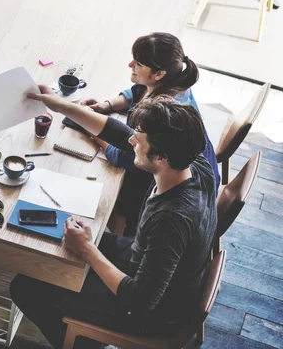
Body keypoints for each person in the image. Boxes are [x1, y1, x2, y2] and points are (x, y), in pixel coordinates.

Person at [10, 89, 217, 349]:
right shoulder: (194, 162)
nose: (132, 142)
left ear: (162, 158)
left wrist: (87, 249)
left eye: (139, 142)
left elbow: (139, 301)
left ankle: (87, 343)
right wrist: (59, 104)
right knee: (63, 241)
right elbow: (120, 133)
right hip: (148, 265)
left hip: (149, 312)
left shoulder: (172, 218)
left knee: (25, 286)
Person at [81, 32, 219, 235]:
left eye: (138, 63)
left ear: (159, 73)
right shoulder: (176, 82)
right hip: (195, 172)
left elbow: (123, 157)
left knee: (95, 194)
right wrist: (107, 105)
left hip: (168, 190)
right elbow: (137, 91)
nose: (130, 65)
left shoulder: (163, 116)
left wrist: (90, 126)